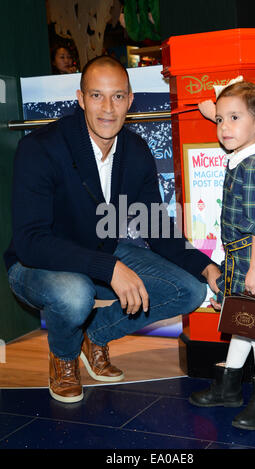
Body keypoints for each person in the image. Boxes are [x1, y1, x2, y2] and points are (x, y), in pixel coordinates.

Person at [3, 55, 221, 403]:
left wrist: (205, 266)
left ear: (130, 100)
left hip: (100, 252)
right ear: (80, 98)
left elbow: (155, 225)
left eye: (118, 96)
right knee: (75, 293)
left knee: (191, 290)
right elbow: (31, 242)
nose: (108, 108)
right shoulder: (41, 148)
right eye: (96, 96)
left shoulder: (135, 151)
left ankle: (95, 336)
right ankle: (64, 356)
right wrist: (110, 268)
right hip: (35, 265)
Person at [189, 80, 255, 430]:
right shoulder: (246, 154)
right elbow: (230, 120)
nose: (224, 128)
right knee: (242, 322)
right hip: (243, 257)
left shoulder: (252, 166)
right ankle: (230, 387)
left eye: (233, 118)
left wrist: (254, 271)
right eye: (220, 120)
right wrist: (215, 111)